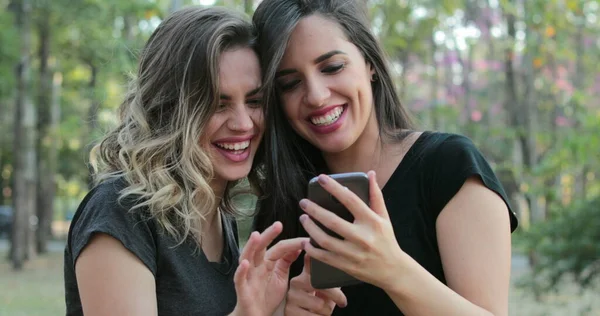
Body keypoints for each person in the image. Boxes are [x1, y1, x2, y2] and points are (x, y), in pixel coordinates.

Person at [252, 0, 519, 315]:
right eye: (290, 83)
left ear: (370, 64)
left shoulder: (448, 168)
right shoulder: (283, 204)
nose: (316, 95)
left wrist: (392, 270)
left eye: (332, 67)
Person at [64, 6, 305, 316]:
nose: (244, 123)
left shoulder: (216, 214)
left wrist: (284, 310)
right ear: (170, 109)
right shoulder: (121, 212)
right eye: (218, 103)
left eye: (255, 101)